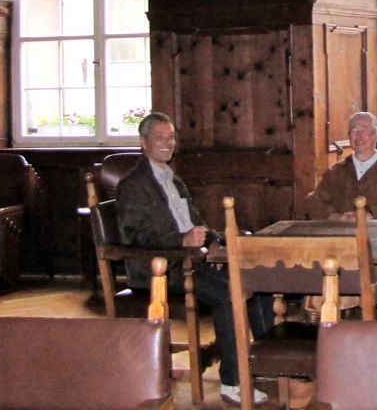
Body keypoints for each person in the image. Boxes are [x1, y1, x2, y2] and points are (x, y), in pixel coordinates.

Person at [116, 111, 272, 405]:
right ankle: (233, 381)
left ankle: (268, 363)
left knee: (257, 281)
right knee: (231, 293)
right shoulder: (133, 185)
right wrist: (181, 240)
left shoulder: (172, 180)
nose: (167, 143)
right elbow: (134, 237)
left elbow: (195, 222)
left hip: (191, 261)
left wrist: (212, 240)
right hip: (162, 269)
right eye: (160, 137)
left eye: (171, 137)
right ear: (143, 142)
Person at [305, 111, 377, 221]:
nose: (358, 136)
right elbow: (313, 201)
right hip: (342, 231)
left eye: (363, 130)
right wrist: (334, 216)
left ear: (376, 135)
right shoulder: (336, 171)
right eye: (353, 131)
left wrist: (372, 214)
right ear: (349, 136)